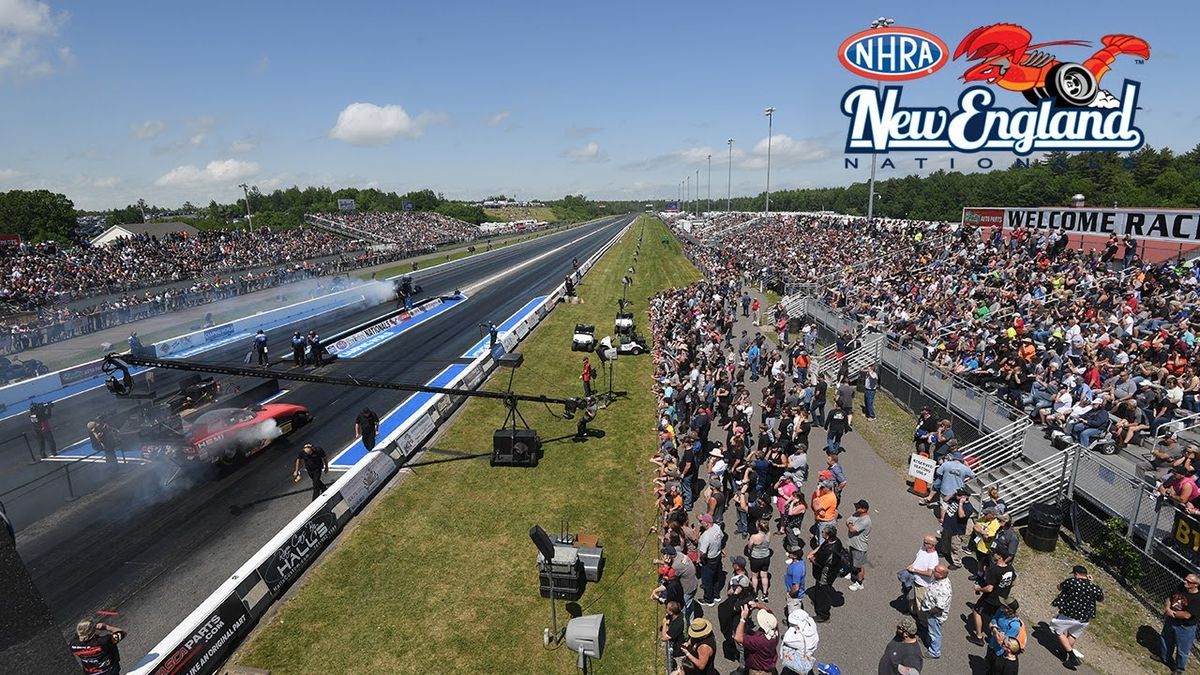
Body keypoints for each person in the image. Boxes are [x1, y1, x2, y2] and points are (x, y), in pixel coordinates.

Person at [1050, 564, 1104, 669]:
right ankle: (1063, 651)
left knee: (1057, 630)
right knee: (1072, 635)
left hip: (1069, 615)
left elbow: (1059, 587)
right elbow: (1101, 598)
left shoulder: (1072, 582)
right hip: (1084, 618)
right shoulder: (1094, 587)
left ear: (1076, 574)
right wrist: (1091, 583)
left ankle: (1072, 656)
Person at [970, 551, 1017, 645]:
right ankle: (996, 634)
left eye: (995, 553)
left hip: (991, 598)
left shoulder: (994, 570)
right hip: (1002, 598)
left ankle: (979, 636)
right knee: (993, 615)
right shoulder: (1010, 568)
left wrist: (978, 588)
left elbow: (989, 588)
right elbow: (1013, 582)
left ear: (1000, 556)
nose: (992, 554)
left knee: (977, 611)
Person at [1162, 574, 1200, 674]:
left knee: (1182, 650)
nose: (1185, 582)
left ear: (1196, 585)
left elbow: (1187, 615)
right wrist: (1167, 608)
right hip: (1171, 620)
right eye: (1185, 579)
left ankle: (1179, 669)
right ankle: (1165, 658)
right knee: (1166, 640)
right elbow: (1169, 598)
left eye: (1188, 581)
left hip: (1185, 626)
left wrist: (1172, 613)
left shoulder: (1197, 598)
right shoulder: (1180, 587)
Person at [807, 526, 845, 623]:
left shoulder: (828, 551)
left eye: (823, 532)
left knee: (823, 593)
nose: (822, 532)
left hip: (825, 575)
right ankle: (818, 602)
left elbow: (818, 562)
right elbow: (822, 545)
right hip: (831, 572)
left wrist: (811, 558)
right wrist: (813, 552)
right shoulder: (836, 541)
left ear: (827, 536)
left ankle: (823, 614)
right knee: (820, 590)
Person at [917, 564, 952, 659]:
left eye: (935, 571)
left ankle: (934, 652)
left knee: (935, 633)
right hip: (930, 611)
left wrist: (929, 613)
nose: (932, 571)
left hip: (936, 616)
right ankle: (928, 641)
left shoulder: (943, 589)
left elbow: (939, 607)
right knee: (930, 630)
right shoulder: (938, 579)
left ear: (941, 575)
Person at [735, 604, 779, 675]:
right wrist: (757, 605)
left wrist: (743, 618)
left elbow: (738, 637)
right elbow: (769, 611)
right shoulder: (775, 629)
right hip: (769, 665)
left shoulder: (759, 640)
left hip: (759, 670)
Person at [986, 600, 1026, 675]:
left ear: (1009, 610)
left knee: (995, 671)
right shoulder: (1001, 611)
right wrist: (995, 630)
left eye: (1004, 605)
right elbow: (994, 619)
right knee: (988, 665)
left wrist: (997, 634)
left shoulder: (1014, 625)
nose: (1001, 605)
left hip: (1000, 652)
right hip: (992, 644)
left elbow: (1006, 642)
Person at [779, 607, 820, 675]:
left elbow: (786, 639)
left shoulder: (800, 639)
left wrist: (793, 628)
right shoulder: (810, 623)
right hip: (807, 655)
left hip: (797, 659)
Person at [696, 513, 723, 607]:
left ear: (707, 523)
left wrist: (700, 559)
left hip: (709, 559)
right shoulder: (717, 527)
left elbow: (703, 552)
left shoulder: (706, 536)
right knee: (716, 576)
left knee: (707, 580)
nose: (700, 524)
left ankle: (708, 600)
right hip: (717, 555)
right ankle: (716, 595)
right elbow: (721, 537)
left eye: (702, 522)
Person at [845, 499, 872, 591]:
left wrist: (849, 525)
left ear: (864, 510)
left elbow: (852, 529)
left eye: (858, 507)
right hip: (853, 544)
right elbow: (848, 520)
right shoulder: (857, 514)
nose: (856, 508)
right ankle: (852, 573)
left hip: (859, 547)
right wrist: (850, 524)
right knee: (852, 561)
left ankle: (859, 583)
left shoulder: (866, 521)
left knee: (859, 566)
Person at [746, 520, 773, 601]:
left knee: (754, 577)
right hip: (765, 557)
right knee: (764, 576)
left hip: (755, 558)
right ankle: (765, 593)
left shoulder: (754, 537)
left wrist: (750, 552)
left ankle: (755, 594)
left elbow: (749, 546)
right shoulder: (769, 533)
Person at [660, 600, 686, 668]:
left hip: (678, 650)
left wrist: (665, 623)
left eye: (667, 608)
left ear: (671, 612)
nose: (666, 609)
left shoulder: (677, 625)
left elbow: (664, 637)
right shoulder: (680, 614)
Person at [784, 546, 807, 615]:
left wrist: (790, 594)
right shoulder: (799, 562)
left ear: (795, 556)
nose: (788, 553)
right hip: (795, 593)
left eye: (790, 552)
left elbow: (796, 588)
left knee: (794, 615)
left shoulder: (797, 569)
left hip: (794, 597)